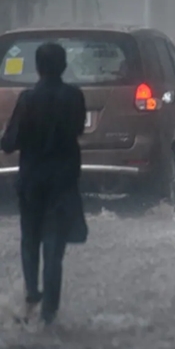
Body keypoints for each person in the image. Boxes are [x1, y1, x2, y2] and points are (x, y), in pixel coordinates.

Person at [1, 42, 87, 326]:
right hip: (63, 181)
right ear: (63, 67)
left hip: (32, 182)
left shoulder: (27, 100)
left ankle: (32, 295)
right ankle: (50, 310)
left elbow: (10, 143)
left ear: (38, 68)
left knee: (30, 240)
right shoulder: (75, 97)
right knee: (54, 245)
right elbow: (77, 129)